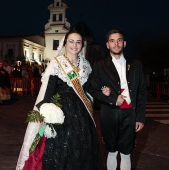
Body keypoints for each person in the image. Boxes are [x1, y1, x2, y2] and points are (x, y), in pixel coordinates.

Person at [16, 30, 102, 170]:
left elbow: (89, 89)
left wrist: (103, 91)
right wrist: (47, 112)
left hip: (82, 115)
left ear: (82, 45)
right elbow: (48, 92)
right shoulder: (57, 63)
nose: (75, 45)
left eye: (78, 42)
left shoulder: (86, 65)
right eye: (71, 41)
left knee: (82, 147)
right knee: (62, 149)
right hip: (61, 113)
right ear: (65, 43)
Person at [89, 28, 146, 170]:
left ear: (124, 43)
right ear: (107, 45)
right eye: (112, 41)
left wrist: (140, 117)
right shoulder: (99, 65)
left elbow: (141, 92)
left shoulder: (136, 64)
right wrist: (113, 99)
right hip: (109, 113)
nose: (116, 44)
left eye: (119, 40)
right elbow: (93, 90)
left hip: (130, 114)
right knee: (112, 151)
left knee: (127, 152)